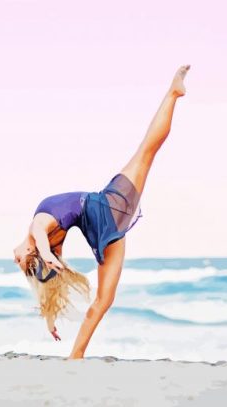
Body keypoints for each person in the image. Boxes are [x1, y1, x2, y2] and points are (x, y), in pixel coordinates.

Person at [13, 64, 191, 359]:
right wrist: (49, 314)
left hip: (107, 222)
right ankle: (173, 92)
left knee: (104, 299)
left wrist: (44, 259)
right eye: (22, 262)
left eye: (18, 260)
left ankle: (77, 355)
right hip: (106, 209)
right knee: (146, 151)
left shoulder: (42, 231)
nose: (17, 257)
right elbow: (41, 254)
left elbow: (41, 244)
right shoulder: (42, 236)